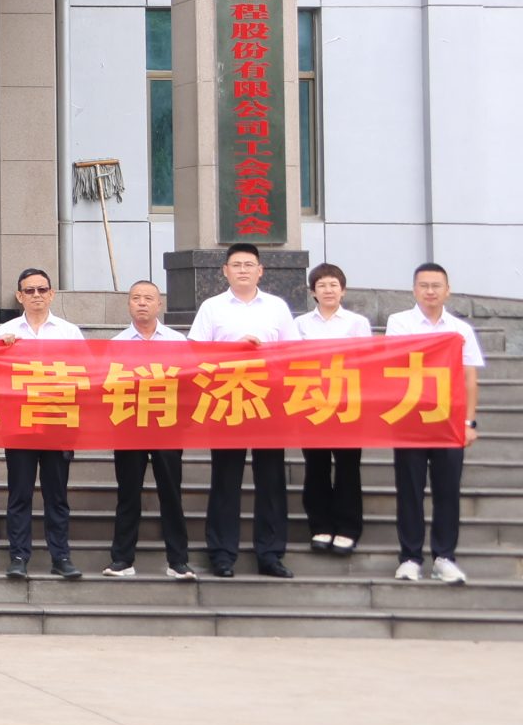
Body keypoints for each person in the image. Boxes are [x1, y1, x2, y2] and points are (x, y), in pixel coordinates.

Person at [189, 242, 297, 578]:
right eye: (236, 265)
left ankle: (271, 554)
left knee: (271, 479)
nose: (243, 270)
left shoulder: (277, 307)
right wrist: (233, 350)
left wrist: (265, 353)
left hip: (269, 400)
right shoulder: (212, 307)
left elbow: (294, 353)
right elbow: (194, 354)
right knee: (225, 479)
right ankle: (222, 554)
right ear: (225, 271)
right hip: (227, 398)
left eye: (249, 265)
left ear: (260, 271)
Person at [385, 263, 484, 586]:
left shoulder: (460, 329)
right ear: (415, 290)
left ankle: (444, 557)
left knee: (447, 491)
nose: (430, 291)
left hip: (448, 422)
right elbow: (396, 363)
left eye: (436, 285)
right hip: (410, 419)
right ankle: (410, 557)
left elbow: (469, 379)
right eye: (424, 285)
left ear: (447, 290)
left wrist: (469, 421)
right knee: (409, 491)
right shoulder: (399, 322)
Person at [0, 268, 82, 580]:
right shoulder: (4, 332)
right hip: (19, 424)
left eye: (42, 290)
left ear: (52, 294)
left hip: (58, 422)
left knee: (57, 495)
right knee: (20, 494)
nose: (36, 296)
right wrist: (1, 351)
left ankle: (61, 556)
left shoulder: (69, 332)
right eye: (29, 291)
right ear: (19, 296)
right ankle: (19, 556)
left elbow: (87, 373)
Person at [102, 280, 193, 580]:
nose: (142, 303)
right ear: (129, 304)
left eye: (148, 298)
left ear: (159, 304)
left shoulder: (177, 341)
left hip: (166, 426)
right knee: (128, 494)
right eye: (136, 298)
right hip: (129, 425)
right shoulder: (117, 343)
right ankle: (122, 559)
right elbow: (106, 385)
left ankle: (178, 561)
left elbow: (189, 382)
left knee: (171, 494)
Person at [294, 262, 375, 558]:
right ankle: (320, 526)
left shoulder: (357, 323)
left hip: (347, 404)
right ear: (312, 292)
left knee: (348, 467)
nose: (328, 290)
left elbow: (366, 361)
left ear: (343, 290)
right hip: (312, 402)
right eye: (322, 285)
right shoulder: (300, 324)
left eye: (333, 285)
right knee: (315, 466)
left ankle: (348, 528)